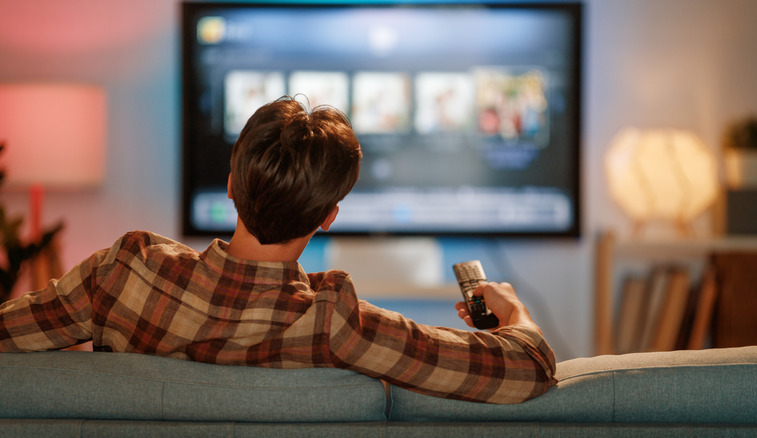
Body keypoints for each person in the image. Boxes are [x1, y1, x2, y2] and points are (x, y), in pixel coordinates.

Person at [0, 96, 556, 404]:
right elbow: (526, 370)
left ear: (230, 186)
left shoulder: (121, 273)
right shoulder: (336, 323)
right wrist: (516, 316)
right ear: (328, 216)